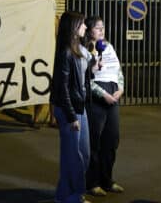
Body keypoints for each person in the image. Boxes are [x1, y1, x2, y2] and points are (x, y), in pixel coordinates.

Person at [50, 11, 94, 203]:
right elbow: (63, 88)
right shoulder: (66, 52)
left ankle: (63, 194)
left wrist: (92, 68)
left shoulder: (80, 49)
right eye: (83, 24)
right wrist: (71, 116)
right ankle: (73, 196)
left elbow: (82, 79)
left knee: (82, 153)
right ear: (74, 27)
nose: (86, 27)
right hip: (69, 109)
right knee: (73, 156)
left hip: (79, 107)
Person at [82, 16, 125, 197]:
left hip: (113, 95)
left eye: (103, 27)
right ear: (89, 30)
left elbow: (118, 70)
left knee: (111, 140)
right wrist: (103, 94)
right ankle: (92, 182)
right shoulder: (84, 50)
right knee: (94, 143)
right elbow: (85, 79)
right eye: (97, 28)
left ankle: (107, 180)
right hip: (97, 98)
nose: (101, 30)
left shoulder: (108, 46)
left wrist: (121, 88)